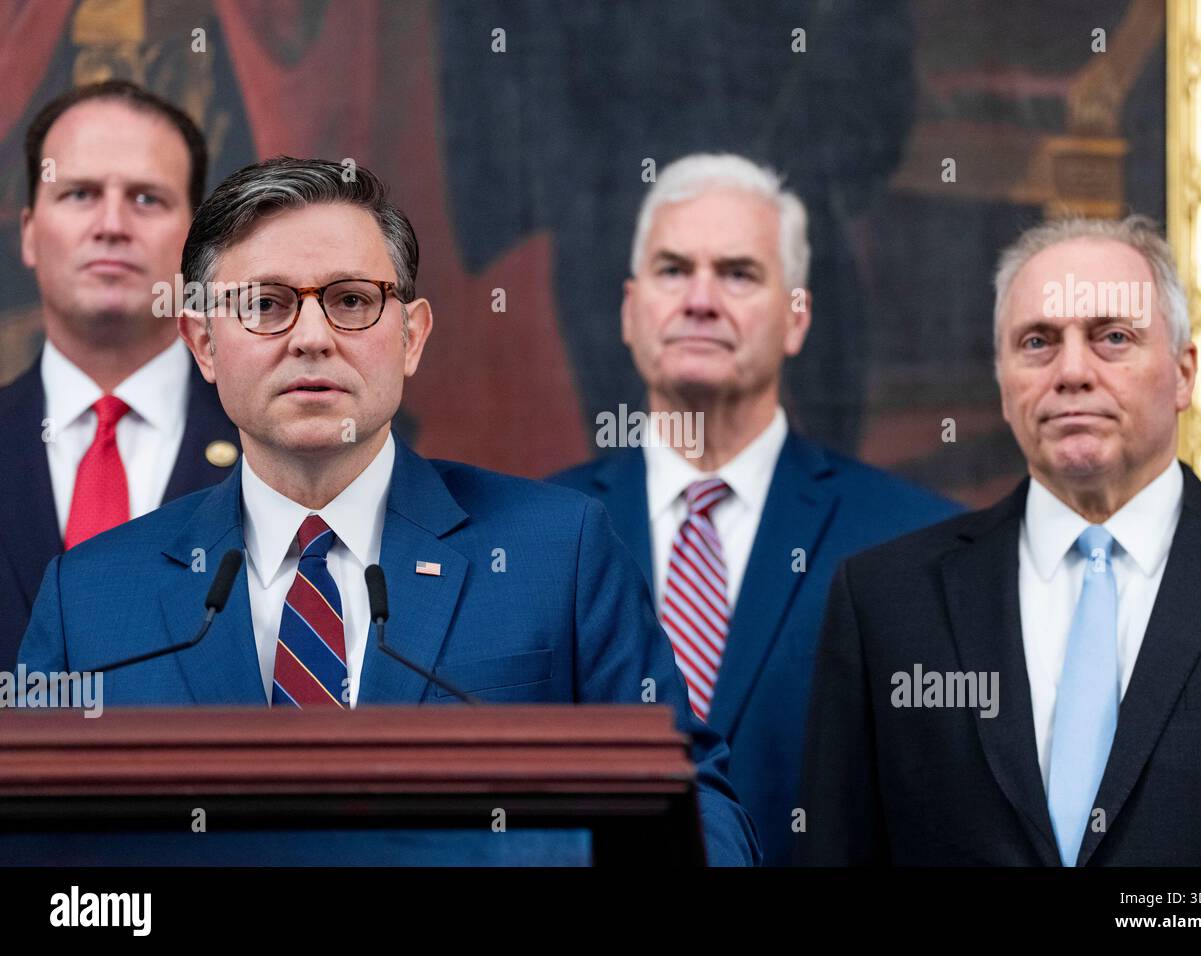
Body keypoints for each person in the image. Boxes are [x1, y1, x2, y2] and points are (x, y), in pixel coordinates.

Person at [19, 156, 759, 866]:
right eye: (267, 305)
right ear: (203, 342)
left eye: (351, 301)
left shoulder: (558, 553)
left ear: (411, 336)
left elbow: (693, 801)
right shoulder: (89, 600)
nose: (313, 339)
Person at [797, 216, 1201, 866]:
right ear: (1003, 382)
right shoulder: (887, 601)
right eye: (1037, 342)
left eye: (1112, 337)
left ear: (1183, 373)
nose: (1071, 372)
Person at [550, 154, 959, 865]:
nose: (700, 300)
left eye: (739, 274)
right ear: (629, 309)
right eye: (673, 270)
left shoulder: (910, 541)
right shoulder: (538, 534)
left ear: (797, 318)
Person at [0, 80, 238, 668]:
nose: (111, 225)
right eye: (79, 194)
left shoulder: (278, 449)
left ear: (196, 245)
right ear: (29, 232)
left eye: (146, 199)